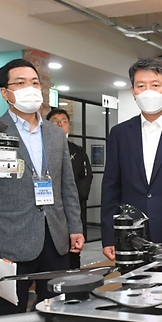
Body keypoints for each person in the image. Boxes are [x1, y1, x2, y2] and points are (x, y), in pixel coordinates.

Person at [0, 59, 84, 315]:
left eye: (34, 82)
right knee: (12, 315)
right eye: (20, 83)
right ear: (5, 92)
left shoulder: (55, 133)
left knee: (57, 310)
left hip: (55, 238)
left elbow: (67, 185)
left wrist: (75, 226)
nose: (29, 88)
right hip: (11, 239)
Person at [101, 59, 162, 261]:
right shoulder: (120, 133)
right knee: (132, 290)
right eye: (141, 86)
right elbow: (111, 186)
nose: (148, 91)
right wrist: (109, 236)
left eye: (155, 85)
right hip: (131, 234)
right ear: (133, 92)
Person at [47, 108, 93, 268]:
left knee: (73, 254)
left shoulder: (77, 151)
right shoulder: (43, 148)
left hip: (73, 208)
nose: (60, 124)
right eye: (55, 121)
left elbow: (86, 177)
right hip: (50, 208)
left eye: (63, 121)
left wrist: (74, 197)